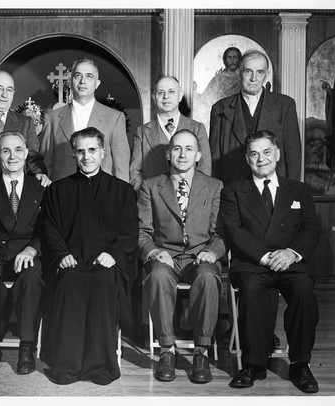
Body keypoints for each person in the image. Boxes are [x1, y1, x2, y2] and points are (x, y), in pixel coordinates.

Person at [219, 130, 320, 393]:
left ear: (276, 153)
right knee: (252, 289)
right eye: (254, 154)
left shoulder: (299, 190)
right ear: (247, 158)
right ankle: (253, 364)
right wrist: (265, 256)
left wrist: (290, 253)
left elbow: (311, 229)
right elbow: (234, 231)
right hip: (253, 262)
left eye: (266, 152)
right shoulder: (233, 192)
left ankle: (300, 363)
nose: (261, 159)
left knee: (303, 291)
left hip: (290, 262)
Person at [41, 127, 138, 385]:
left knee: (103, 282)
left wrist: (113, 255)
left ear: (103, 152)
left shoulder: (123, 191)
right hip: (71, 264)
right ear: (73, 154)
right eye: (81, 151)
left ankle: (99, 366)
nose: (87, 156)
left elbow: (129, 234)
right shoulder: (57, 190)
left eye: (92, 150)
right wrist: (61, 254)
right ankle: (67, 365)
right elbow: (50, 229)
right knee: (70, 281)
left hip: (105, 265)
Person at [138, 129, 225, 383]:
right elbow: (142, 232)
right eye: (177, 148)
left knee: (208, 278)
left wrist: (212, 251)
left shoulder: (214, 186)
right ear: (168, 153)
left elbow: (221, 233)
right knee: (157, 275)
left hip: (201, 256)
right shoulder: (151, 186)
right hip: (167, 255)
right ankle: (167, 350)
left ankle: (201, 352)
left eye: (189, 149)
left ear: (198, 155)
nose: (182, 153)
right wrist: (154, 251)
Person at [0, 131, 46, 375]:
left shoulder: (42, 187)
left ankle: (27, 346)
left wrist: (32, 249)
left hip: (29, 252)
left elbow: (49, 230)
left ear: (26, 153)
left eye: (18, 150)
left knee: (32, 278)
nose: (12, 156)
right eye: (5, 150)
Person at [209, 49, 301, 186]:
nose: (253, 78)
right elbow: (214, 159)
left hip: (274, 190)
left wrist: (292, 192)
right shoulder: (220, 108)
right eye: (248, 71)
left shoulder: (285, 105)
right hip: (234, 189)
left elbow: (293, 155)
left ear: (267, 75)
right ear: (239, 73)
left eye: (260, 72)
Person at [39, 57, 130, 182]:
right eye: (78, 76)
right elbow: (45, 165)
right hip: (63, 194)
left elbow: (121, 168)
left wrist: (121, 198)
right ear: (71, 81)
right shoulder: (52, 119)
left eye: (89, 76)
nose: (83, 81)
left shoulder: (114, 118)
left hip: (103, 195)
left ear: (97, 83)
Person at [130, 76, 211, 193]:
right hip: (153, 203)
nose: (166, 96)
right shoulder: (142, 132)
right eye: (160, 92)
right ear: (154, 97)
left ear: (180, 95)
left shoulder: (197, 128)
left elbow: (205, 168)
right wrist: (147, 197)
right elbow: (135, 172)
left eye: (171, 91)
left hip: (189, 202)